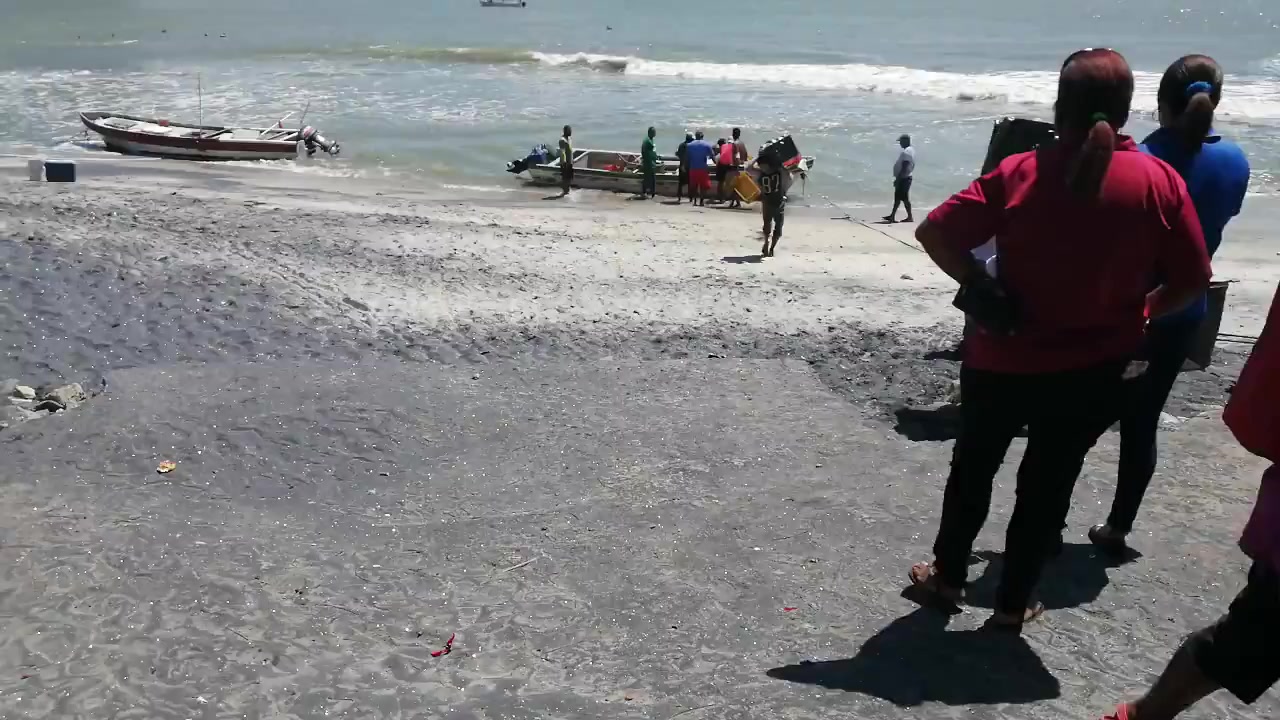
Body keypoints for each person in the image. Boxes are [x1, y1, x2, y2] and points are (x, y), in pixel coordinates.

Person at [907, 48, 1211, 626]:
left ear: (1059, 105)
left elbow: (935, 232)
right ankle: (1014, 604)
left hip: (1002, 357)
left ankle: (947, 577)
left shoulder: (1021, 170)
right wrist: (1144, 311)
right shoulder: (1158, 181)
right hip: (1094, 367)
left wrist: (977, 281)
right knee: (1046, 486)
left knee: (974, 467)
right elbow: (1193, 280)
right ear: (1126, 110)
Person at [1088, 55, 1250, 554]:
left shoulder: (1139, 160)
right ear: (1214, 103)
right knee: (1143, 420)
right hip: (1184, 311)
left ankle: (1043, 529)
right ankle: (1118, 528)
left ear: (1159, 105)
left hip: (1126, 313)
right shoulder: (1237, 163)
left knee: (1078, 417)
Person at [1099, 280, 1280, 720]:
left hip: (1127, 315)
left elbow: (1257, 411)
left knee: (1249, 634)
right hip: (1169, 313)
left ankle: (1142, 716)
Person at [757, 157, 791, 257]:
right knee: (767, 227)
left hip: (778, 203)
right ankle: (767, 245)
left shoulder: (778, 171)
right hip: (768, 203)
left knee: (778, 229)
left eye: (762, 166)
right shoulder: (763, 175)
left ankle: (771, 248)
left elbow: (789, 176)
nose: (761, 168)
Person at [884, 134, 915, 223]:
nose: (900, 143)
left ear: (905, 141)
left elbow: (905, 165)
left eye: (901, 141)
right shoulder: (910, 150)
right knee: (899, 197)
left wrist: (898, 179)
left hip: (904, 177)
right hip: (906, 177)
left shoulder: (907, 151)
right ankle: (893, 216)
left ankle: (908, 217)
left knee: (903, 197)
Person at [684, 131, 716, 207]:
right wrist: (716, 164)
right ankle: (701, 201)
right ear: (702, 136)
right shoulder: (707, 145)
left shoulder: (689, 145)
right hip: (702, 168)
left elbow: (686, 158)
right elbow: (712, 156)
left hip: (693, 168)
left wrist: (685, 166)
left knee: (694, 185)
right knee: (703, 186)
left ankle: (695, 200)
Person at [640, 126, 659, 199]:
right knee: (649, 178)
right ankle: (648, 192)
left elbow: (652, 151)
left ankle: (650, 192)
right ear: (650, 133)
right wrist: (647, 160)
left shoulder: (651, 139)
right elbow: (644, 151)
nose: (655, 133)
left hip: (651, 162)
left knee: (650, 178)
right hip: (648, 163)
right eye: (654, 132)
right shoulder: (647, 141)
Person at [675, 132, 693, 203]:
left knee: (681, 183)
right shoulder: (691, 146)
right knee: (690, 183)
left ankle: (679, 197)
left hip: (682, 166)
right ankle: (690, 198)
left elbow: (678, 154)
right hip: (689, 166)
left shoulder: (681, 145)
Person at [558, 125, 574, 197]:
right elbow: (562, 152)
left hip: (570, 162)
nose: (571, 132)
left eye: (570, 130)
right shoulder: (562, 140)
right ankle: (564, 192)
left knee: (569, 177)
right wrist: (564, 162)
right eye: (569, 130)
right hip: (565, 162)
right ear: (565, 131)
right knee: (565, 178)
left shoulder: (569, 139)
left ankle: (567, 191)